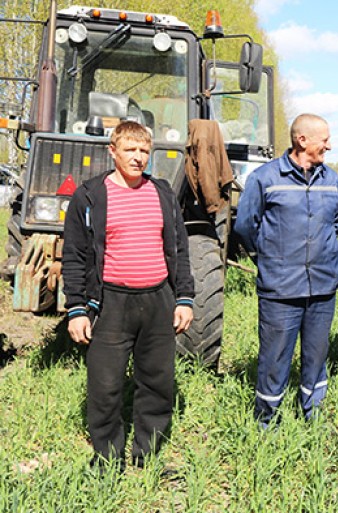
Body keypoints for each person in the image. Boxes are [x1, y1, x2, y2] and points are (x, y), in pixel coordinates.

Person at [62, 121, 194, 471]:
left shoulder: (163, 193)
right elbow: (74, 255)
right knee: (105, 385)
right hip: (110, 304)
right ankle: (107, 459)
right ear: (113, 151)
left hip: (158, 301)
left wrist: (184, 299)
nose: (138, 158)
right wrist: (76, 308)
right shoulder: (90, 196)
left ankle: (146, 454)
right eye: (130, 150)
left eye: (144, 151)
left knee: (157, 381)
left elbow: (179, 248)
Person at [233, 113, 338, 426]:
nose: (329, 146)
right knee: (275, 358)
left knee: (316, 354)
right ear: (302, 140)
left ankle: (314, 415)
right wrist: (269, 258)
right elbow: (245, 226)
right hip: (280, 288)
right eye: (324, 140)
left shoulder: (332, 180)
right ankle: (267, 421)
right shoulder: (265, 178)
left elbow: (337, 223)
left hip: (323, 286)